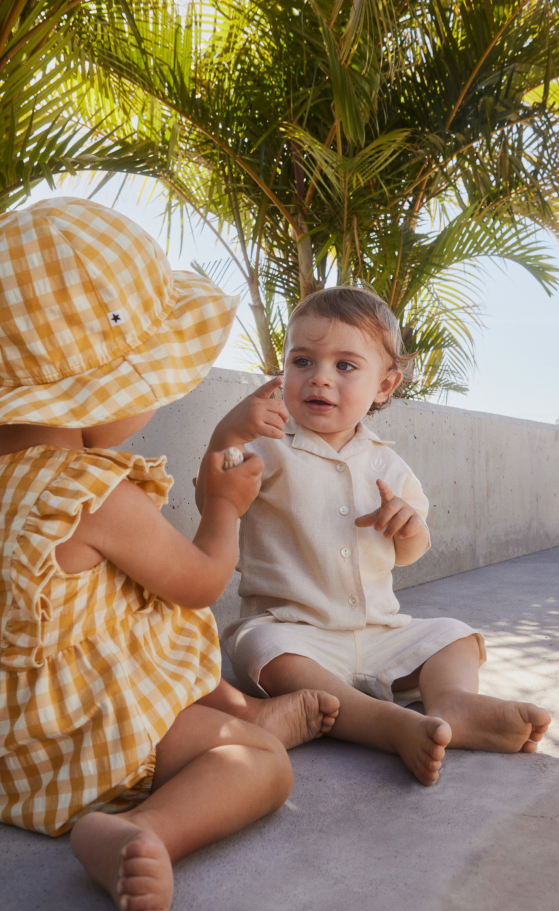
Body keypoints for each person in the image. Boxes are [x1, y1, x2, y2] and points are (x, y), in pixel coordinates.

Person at [0, 198, 339, 911]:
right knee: (260, 764)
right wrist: (223, 508)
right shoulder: (88, 490)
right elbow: (195, 582)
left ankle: (243, 708)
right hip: (87, 735)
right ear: (92, 393)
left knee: (187, 673)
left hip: (15, 743)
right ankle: (139, 828)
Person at [204, 286, 552, 787]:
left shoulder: (388, 463)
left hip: (380, 630)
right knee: (265, 652)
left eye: (345, 366)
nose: (320, 377)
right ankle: (387, 725)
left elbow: (410, 551)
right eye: (302, 360)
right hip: (294, 629)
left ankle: (454, 703)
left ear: (385, 385)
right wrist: (226, 434)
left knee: (453, 635)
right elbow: (213, 496)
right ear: (282, 369)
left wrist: (408, 526)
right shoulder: (267, 447)